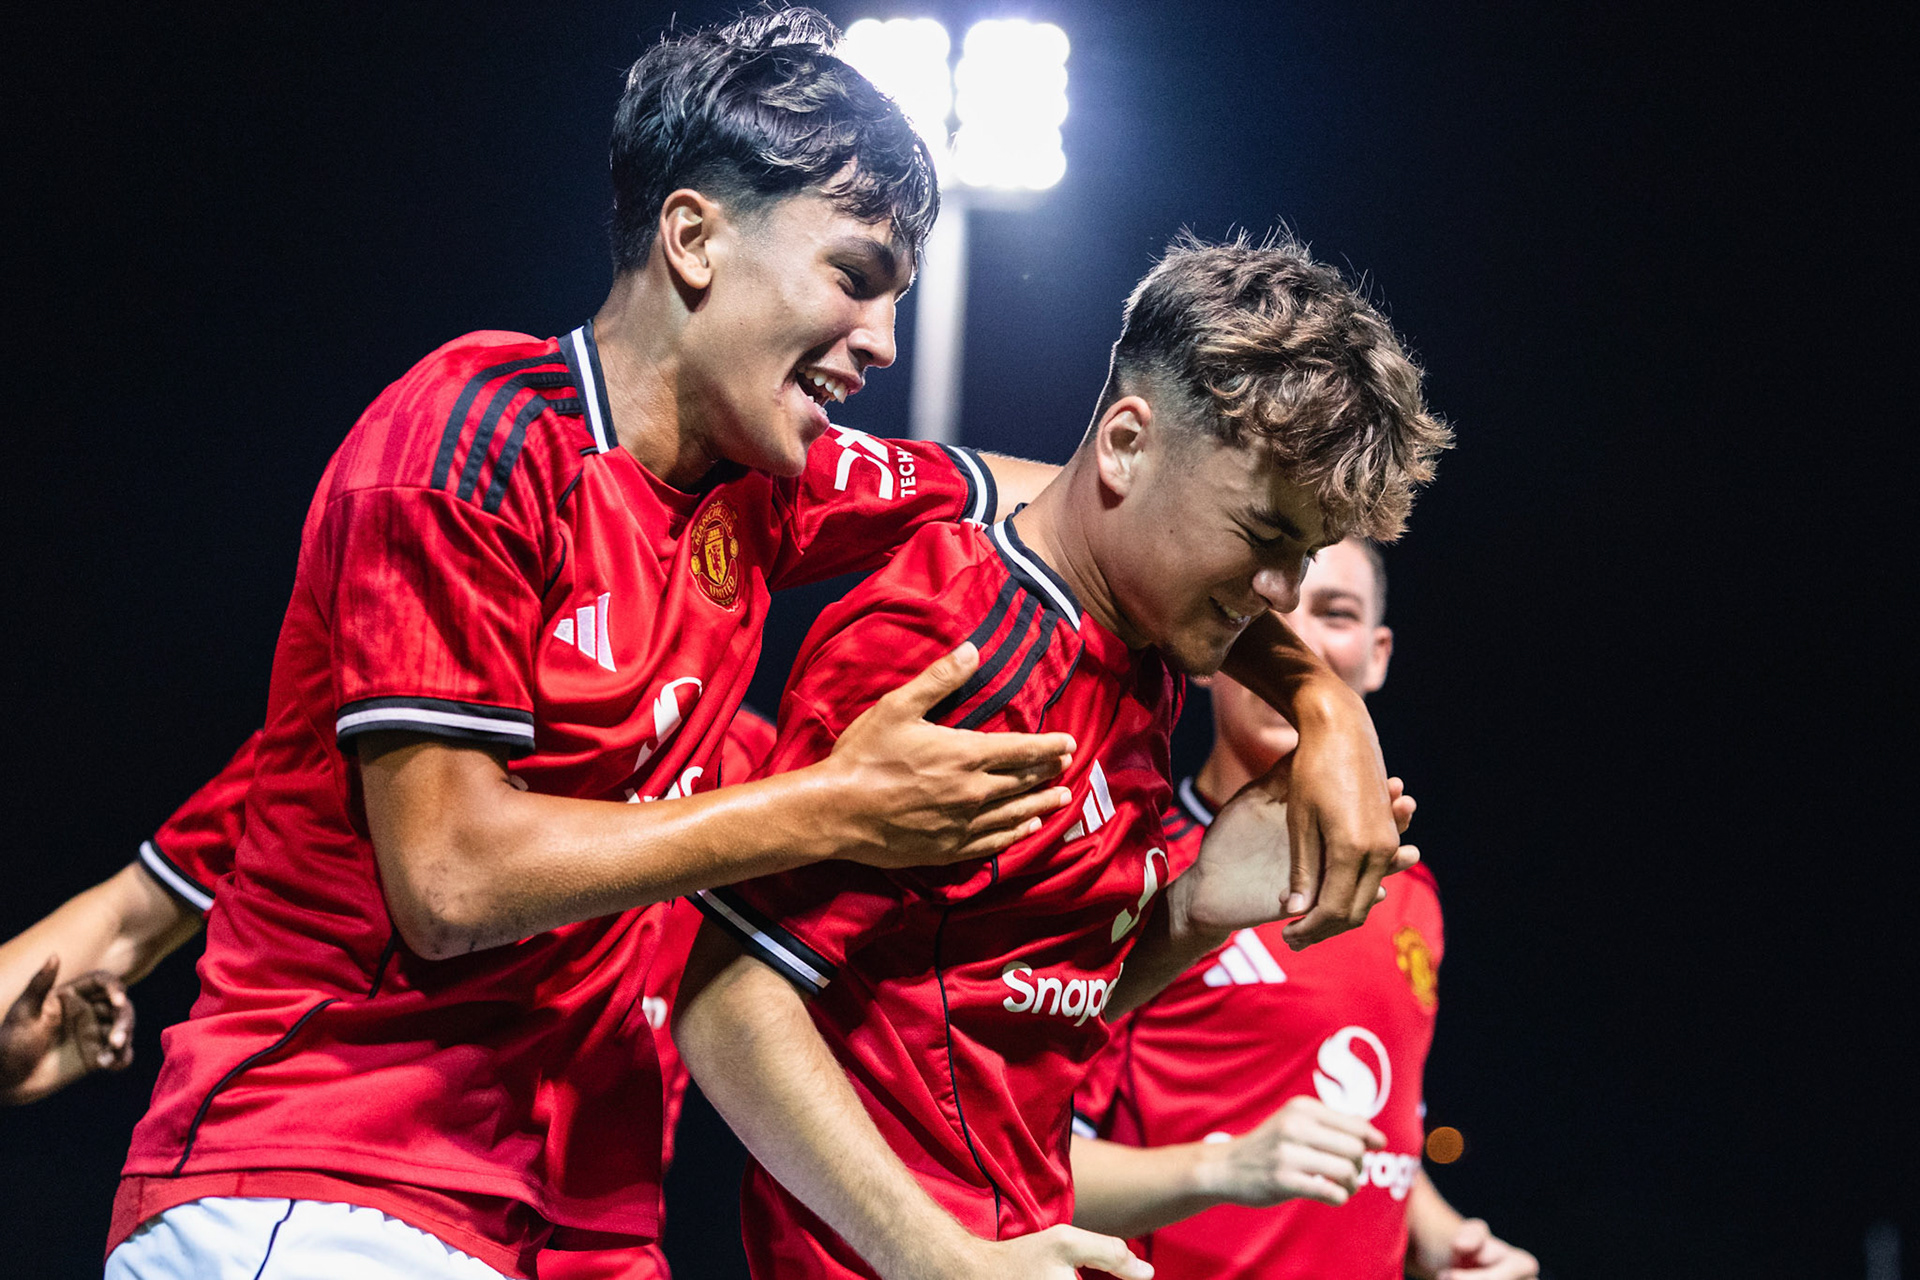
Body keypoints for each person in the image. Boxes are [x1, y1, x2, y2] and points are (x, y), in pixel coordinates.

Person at [106, 11, 1401, 1278]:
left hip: (585, 1213)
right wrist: (835, 804)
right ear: (694, 238)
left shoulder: (779, 486)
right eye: (852, 276)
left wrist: (1325, 710)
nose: (883, 343)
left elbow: (1051, 498)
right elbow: (445, 883)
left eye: (900, 298)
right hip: (331, 1175)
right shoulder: (473, 441)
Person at [676, 231, 1451, 1280]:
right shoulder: (952, 643)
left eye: (1304, 557)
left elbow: (1003, 1010)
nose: (1280, 595)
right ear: (1127, 444)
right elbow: (729, 1002)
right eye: (1264, 536)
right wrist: (939, 1257)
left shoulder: (1147, 656)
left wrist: (1195, 916)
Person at [2, 716, 772, 1279]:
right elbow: (127, 916)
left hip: (589, 1249)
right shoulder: (397, 718)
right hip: (348, 1203)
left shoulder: (767, 778)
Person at [1068, 539, 1539, 1280]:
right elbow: (1020, 1163)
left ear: (1377, 656)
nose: (1304, 647)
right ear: (1226, 642)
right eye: (1274, 617)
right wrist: (1221, 1168)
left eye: (1337, 614)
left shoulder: (1409, 895)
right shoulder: (1132, 867)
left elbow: (1382, 1140)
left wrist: (1448, 1241)